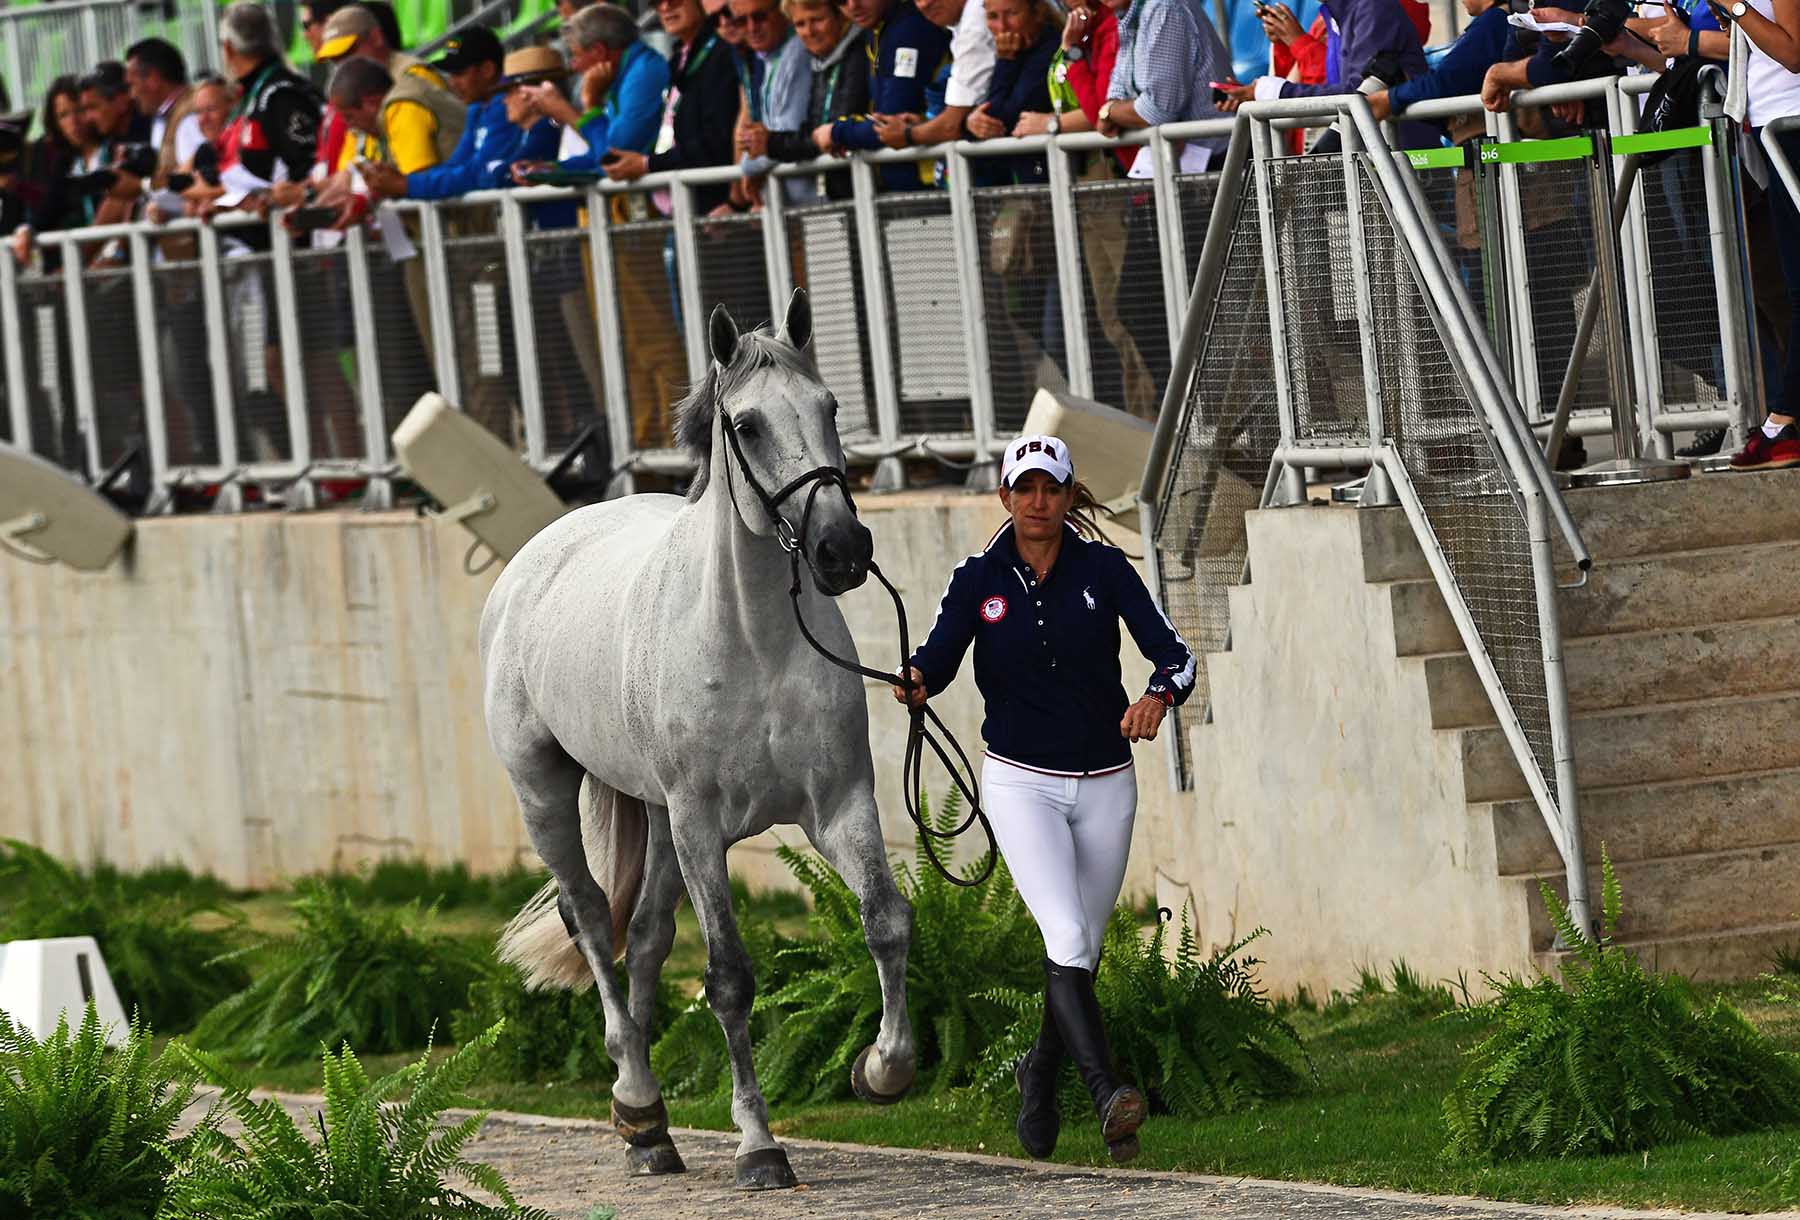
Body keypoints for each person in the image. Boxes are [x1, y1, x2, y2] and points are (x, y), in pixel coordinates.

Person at [892, 435, 1194, 1165]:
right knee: (1064, 935)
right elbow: (938, 655)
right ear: (1004, 497)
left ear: (1068, 495)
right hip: (1020, 782)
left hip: (1107, 784)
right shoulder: (977, 578)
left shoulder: (1104, 569)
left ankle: (1037, 1076)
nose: (1037, 502)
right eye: (1024, 489)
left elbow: (1175, 656)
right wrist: (916, 677)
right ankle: (1106, 1096)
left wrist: (1157, 698)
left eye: (1051, 488)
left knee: (1080, 953)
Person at [1718, 0, 1800, 468]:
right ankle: (1783, 419)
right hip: (1771, 127)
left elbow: (1791, 52)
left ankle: (1783, 419)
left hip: (1789, 126)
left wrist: (1734, 6)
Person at [603, 0, 738, 213]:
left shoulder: (722, 53)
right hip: (682, 204)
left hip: (717, 209)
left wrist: (647, 164)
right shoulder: (678, 58)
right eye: (656, 2)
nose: (664, 7)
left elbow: (716, 141)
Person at [516, 2, 669, 173]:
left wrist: (587, 104)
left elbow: (613, 157)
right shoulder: (626, 73)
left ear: (598, 51)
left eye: (576, 55)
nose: (574, 66)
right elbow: (597, 155)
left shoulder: (643, 73)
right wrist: (552, 169)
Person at [830, 0, 953, 190]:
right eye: (841, 0)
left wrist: (835, 133)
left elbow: (890, 121)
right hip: (905, 183)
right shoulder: (875, 31)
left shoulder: (909, 28)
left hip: (933, 184)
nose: (853, 5)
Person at [1098, 0, 1230, 166]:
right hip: (1190, 166)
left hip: (1219, 162)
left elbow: (1158, 111)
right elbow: (1117, 88)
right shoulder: (1129, 13)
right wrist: (1113, 109)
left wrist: (1109, 112)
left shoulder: (1164, 7)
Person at [763, 0, 869, 199]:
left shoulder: (859, 52)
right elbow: (816, 131)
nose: (809, 31)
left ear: (841, 16)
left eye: (817, 20)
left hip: (869, 193)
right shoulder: (821, 61)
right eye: (800, 24)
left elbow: (835, 129)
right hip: (841, 197)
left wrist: (771, 144)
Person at [964, 0, 1058, 183]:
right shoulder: (1013, 52)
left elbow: (1001, 119)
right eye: (992, 16)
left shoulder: (1053, 49)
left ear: (1037, 12)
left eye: (1012, 14)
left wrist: (1006, 61)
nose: (1002, 26)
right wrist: (969, 122)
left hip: (1058, 177)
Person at [728, 0, 809, 206]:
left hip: (820, 203)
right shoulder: (768, 58)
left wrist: (749, 166)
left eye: (760, 17)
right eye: (741, 21)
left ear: (782, 11)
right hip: (798, 203)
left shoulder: (798, 52)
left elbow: (787, 130)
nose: (752, 28)